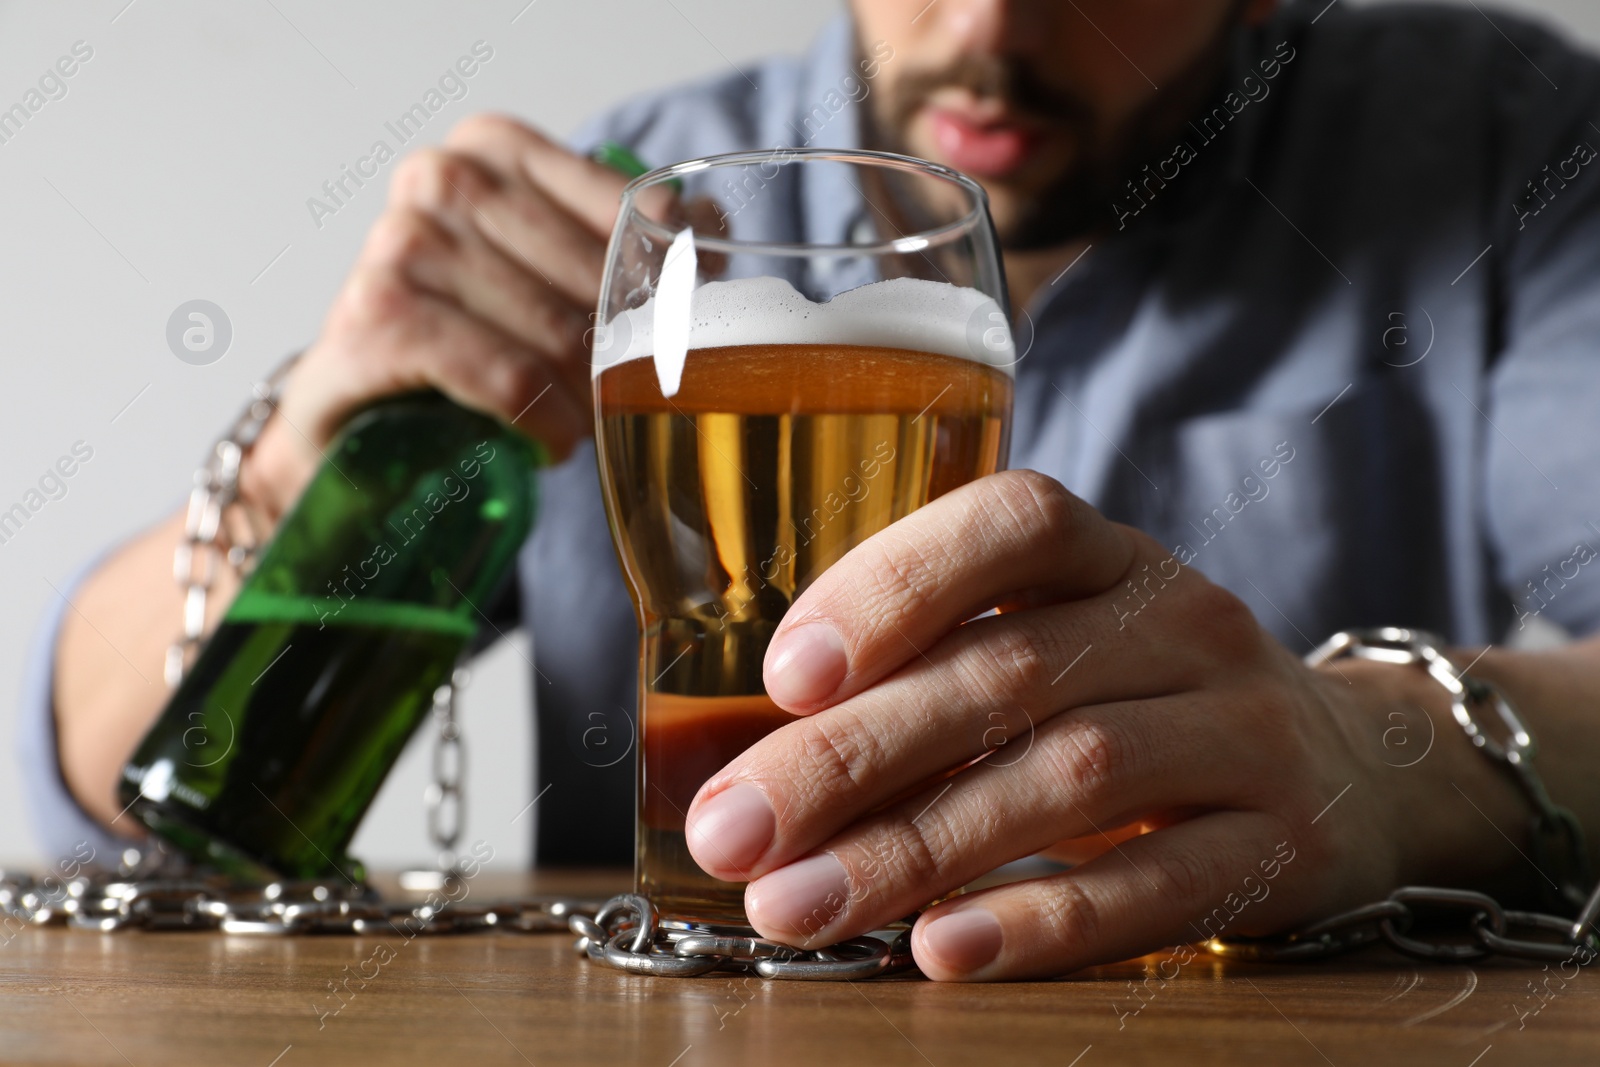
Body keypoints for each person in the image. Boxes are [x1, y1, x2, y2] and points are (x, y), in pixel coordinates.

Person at [23, 0, 1600, 981]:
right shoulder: (638, 197)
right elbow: (122, 773)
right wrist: (316, 474)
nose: (995, 23)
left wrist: (1389, 756)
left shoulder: (1493, 147)